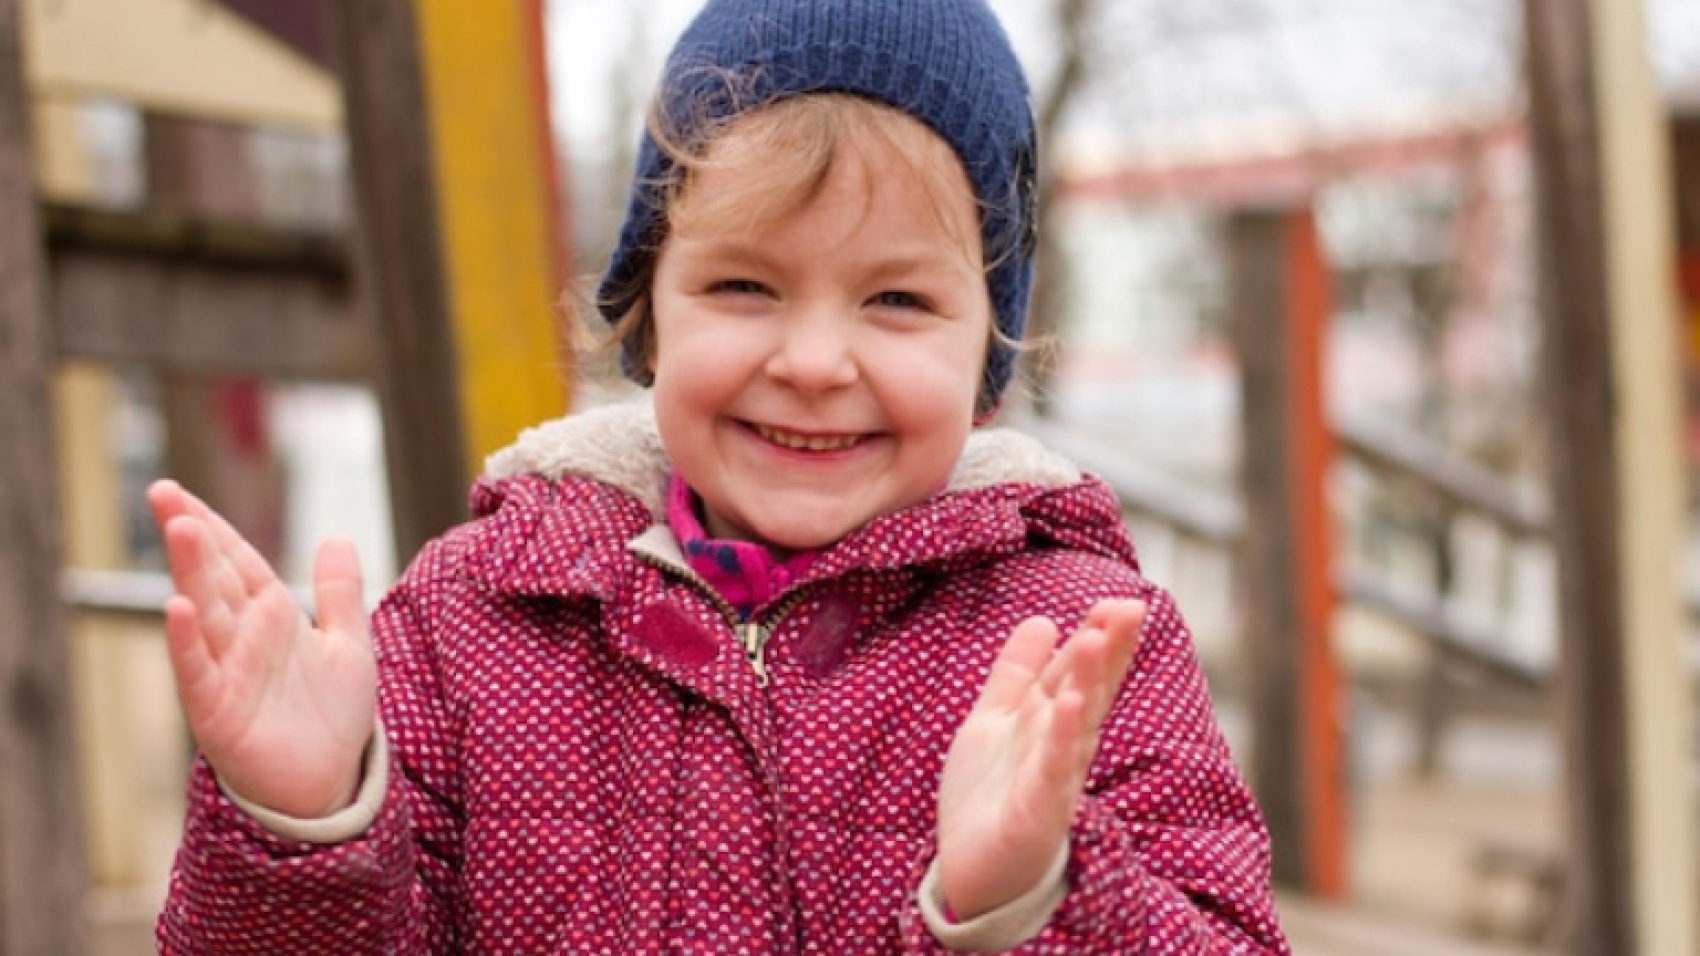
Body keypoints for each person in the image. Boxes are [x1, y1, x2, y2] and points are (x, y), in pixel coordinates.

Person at [148, 0, 1291, 952]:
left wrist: (1030, 897)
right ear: (649, 313)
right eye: (744, 286)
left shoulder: (1081, 643)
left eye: (896, 300)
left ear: (986, 355)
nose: (808, 362)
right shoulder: (471, 618)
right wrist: (300, 821)